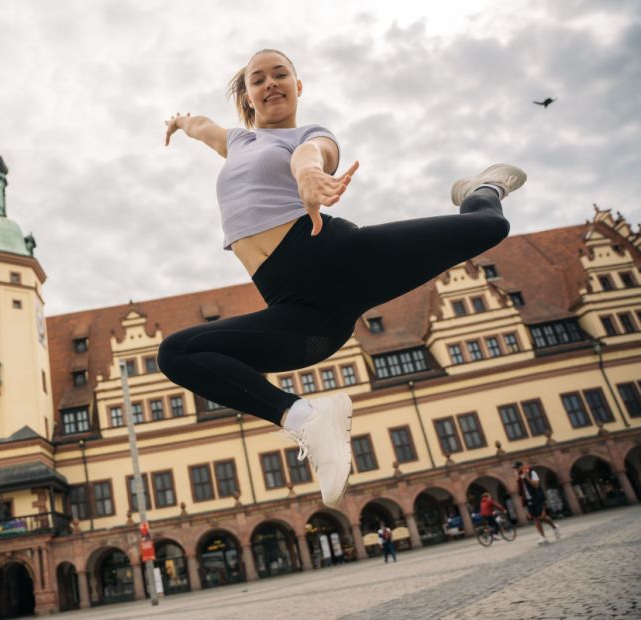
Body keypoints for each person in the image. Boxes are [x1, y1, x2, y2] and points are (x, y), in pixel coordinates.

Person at [159, 48, 526, 507]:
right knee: (177, 353)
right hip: (307, 321)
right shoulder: (236, 142)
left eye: (281, 75)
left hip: (339, 259)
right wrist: (180, 122)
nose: (271, 83)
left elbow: (313, 155)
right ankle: (306, 418)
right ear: (249, 96)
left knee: (490, 227)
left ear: (298, 86)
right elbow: (204, 128)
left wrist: (310, 174)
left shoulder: (309, 136)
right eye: (259, 79)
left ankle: (482, 189)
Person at [514, 461, 561, 545]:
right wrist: (518, 480)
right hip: (528, 500)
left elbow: (536, 485)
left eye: (517, 468)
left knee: (542, 517)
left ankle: (554, 527)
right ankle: (543, 537)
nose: (516, 470)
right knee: (535, 518)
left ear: (522, 466)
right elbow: (519, 492)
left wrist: (526, 477)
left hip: (537, 498)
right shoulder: (519, 477)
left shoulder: (532, 472)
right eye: (515, 468)